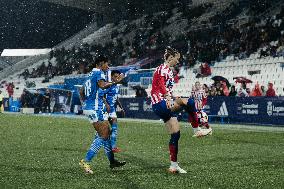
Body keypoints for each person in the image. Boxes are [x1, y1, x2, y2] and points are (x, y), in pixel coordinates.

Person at [151, 47, 210, 174]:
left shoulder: (168, 71)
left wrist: (170, 97)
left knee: (175, 134)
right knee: (189, 102)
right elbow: (161, 85)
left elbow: (164, 86)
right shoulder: (162, 68)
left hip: (162, 104)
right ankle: (197, 129)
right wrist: (167, 97)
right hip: (160, 102)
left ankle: (173, 166)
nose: (178, 61)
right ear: (171, 58)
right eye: (177, 59)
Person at [79, 55, 126, 174]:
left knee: (106, 133)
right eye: (107, 64)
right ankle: (86, 160)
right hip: (95, 109)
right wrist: (116, 81)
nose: (108, 66)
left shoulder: (89, 74)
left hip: (91, 107)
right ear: (101, 63)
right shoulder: (99, 73)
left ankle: (112, 162)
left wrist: (86, 102)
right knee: (103, 135)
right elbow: (102, 85)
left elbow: (81, 91)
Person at [99, 70, 125, 153]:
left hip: (112, 109)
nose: (117, 78)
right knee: (105, 129)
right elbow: (100, 94)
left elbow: (116, 97)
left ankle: (113, 147)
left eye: (118, 77)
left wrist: (121, 107)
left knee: (114, 127)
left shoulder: (117, 86)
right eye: (115, 76)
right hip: (105, 109)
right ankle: (103, 144)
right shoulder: (109, 85)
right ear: (112, 77)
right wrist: (106, 104)